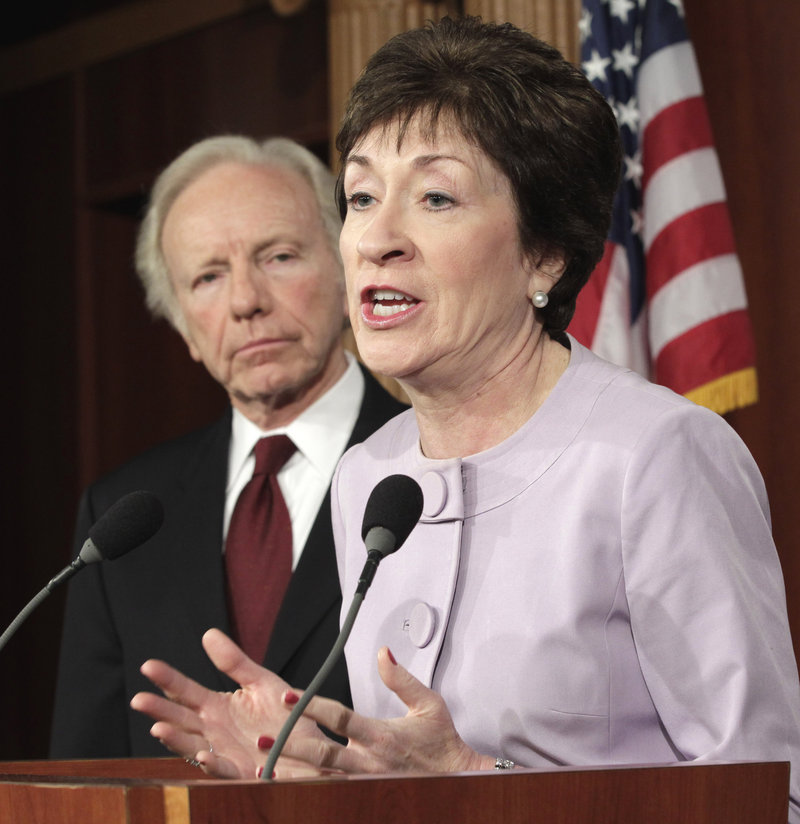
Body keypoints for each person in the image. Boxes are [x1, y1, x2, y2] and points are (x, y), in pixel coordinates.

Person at [130, 17, 800, 819]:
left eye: (436, 197)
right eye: (362, 196)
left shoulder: (654, 455)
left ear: (544, 253)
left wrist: (485, 786)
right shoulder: (368, 476)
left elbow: (770, 795)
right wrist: (317, 778)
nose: (377, 238)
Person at [49, 135, 407, 758]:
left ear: (348, 269)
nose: (246, 301)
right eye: (209, 276)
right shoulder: (121, 517)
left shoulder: (435, 467)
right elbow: (86, 769)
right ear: (184, 324)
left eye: (279, 257)